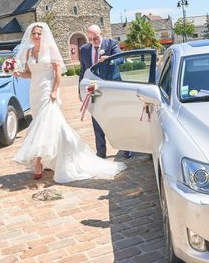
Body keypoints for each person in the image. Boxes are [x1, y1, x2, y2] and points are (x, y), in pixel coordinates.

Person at [13, 22, 125, 183]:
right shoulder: (29, 52)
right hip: (35, 93)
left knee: (42, 126)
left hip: (48, 92)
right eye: (34, 34)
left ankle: (38, 163)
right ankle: (53, 159)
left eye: (39, 33)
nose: (36, 36)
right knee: (50, 127)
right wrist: (17, 73)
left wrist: (54, 90)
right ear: (30, 35)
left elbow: (57, 74)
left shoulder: (50, 50)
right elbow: (29, 73)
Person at [78, 24, 131, 159]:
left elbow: (121, 58)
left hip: (112, 86)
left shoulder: (111, 44)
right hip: (94, 87)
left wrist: (110, 59)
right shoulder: (84, 49)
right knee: (97, 118)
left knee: (118, 117)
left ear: (101, 34)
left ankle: (126, 147)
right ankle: (101, 152)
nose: (93, 42)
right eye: (90, 39)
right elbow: (83, 70)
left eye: (95, 38)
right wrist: (80, 89)